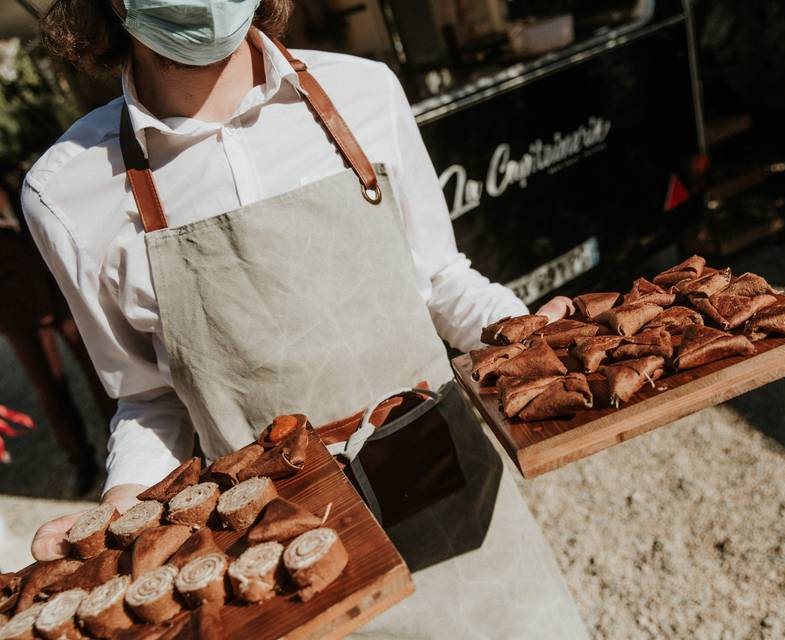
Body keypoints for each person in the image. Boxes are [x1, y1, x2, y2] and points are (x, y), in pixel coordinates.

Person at [23, 1, 587, 637]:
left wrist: (531, 335)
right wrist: (124, 509)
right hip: (278, 545)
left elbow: (438, 278)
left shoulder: (362, 92)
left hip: (449, 482)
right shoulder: (67, 193)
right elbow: (151, 398)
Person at [1, 185, 114, 493]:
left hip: (56, 277)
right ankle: (81, 462)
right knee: (48, 386)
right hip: (11, 295)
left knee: (98, 366)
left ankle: (120, 445)